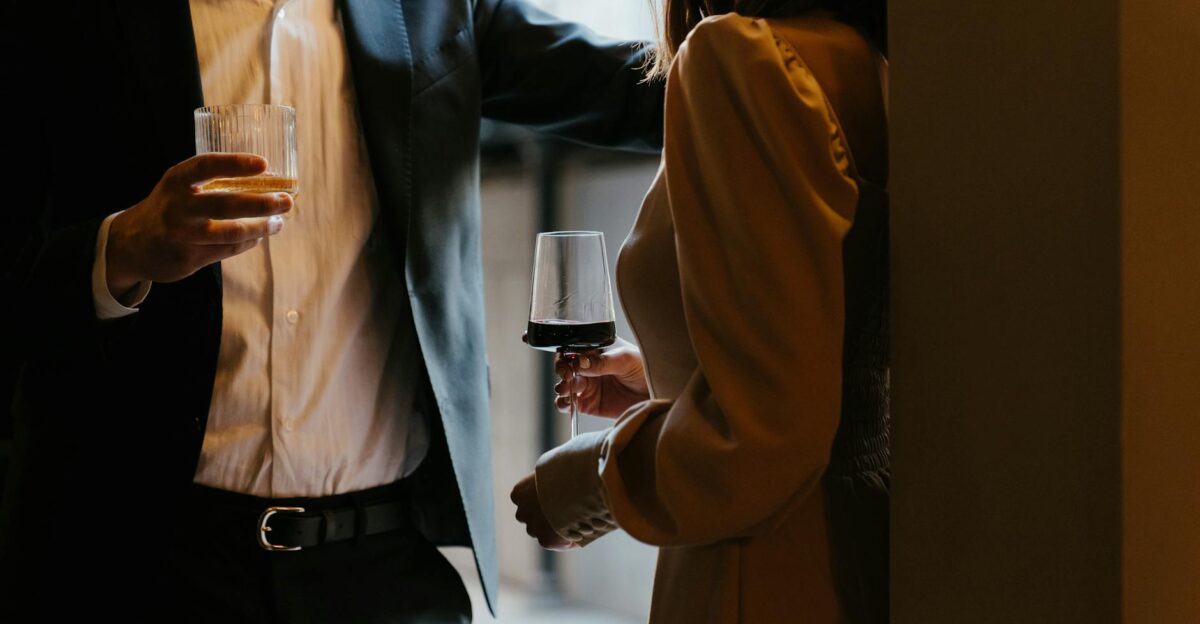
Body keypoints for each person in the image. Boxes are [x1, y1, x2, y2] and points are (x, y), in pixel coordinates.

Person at [0, 0, 662, 621]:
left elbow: (644, 91)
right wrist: (122, 247)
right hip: (135, 559)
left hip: (385, 570)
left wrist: (750, 45)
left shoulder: (432, 8)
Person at [510, 0, 890, 621]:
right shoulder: (875, 64)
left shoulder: (738, 56)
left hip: (763, 567)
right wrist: (666, 382)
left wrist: (585, 486)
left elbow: (764, 438)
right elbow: (820, 354)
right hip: (861, 546)